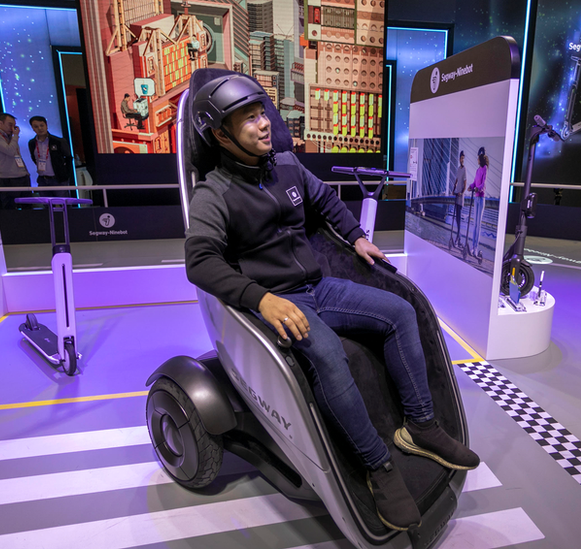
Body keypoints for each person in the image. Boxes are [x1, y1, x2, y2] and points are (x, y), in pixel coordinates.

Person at [184, 74, 479, 532]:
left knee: (401, 311)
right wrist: (261, 300)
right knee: (328, 354)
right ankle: (377, 466)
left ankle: (419, 427)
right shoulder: (213, 193)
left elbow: (325, 202)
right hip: (278, 302)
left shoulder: (286, 165)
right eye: (249, 120)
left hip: (320, 288)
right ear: (221, 136)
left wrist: (358, 238)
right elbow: (200, 264)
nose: (264, 125)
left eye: (262, 114)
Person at [0, 113, 30, 209]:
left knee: (27, 207)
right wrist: (15, 136)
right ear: (0, 123)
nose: (12, 128)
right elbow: (9, 151)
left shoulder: (9, 136)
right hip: (9, 177)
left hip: (22, 175)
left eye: (14, 125)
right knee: (11, 208)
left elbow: (16, 154)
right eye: (10, 125)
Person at [27, 116, 73, 198]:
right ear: (33, 128)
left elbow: (68, 158)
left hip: (59, 179)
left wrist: (65, 175)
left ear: (46, 125)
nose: (40, 128)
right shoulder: (32, 143)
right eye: (36, 126)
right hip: (42, 179)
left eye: (41, 125)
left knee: (64, 204)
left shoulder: (58, 141)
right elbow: (34, 159)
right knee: (46, 205)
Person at [468, 147, 488, 257]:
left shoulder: (485, 168)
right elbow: (475, 182)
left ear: (481, 158)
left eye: (478, 158)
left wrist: (478, 189)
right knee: (474, 224)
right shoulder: (477, 170)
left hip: (481, 199)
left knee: (478, 224)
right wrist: (471, 187)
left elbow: (483, 184)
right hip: (475, 198)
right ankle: (472, 247)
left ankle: (476, 248)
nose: (477, 160)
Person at [451, 151, 467, 244]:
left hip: (460, 197)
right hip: (456, 194)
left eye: (463, 158)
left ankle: (459, 236)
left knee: (459, 216)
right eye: (461, 158)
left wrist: (462, 192)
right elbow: (456, 180)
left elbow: (465, 184)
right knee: (456, 217)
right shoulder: (458, 169)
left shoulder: (464, 169)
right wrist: (453, 190)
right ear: (459, 159)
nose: (462, 160)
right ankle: (458, 236)